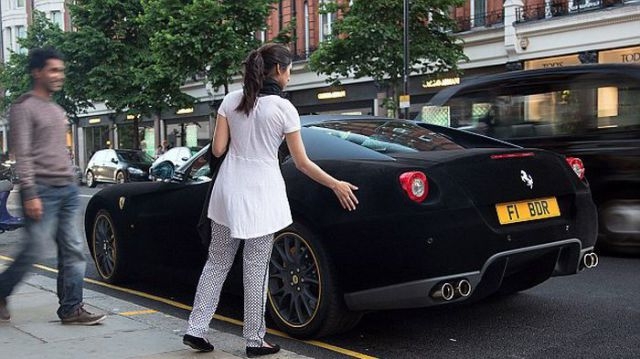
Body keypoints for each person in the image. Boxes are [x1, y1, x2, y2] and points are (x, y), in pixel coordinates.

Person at [182, 43, 359, 356]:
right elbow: (303, 163)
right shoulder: (284, 109)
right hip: (262, 193)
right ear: (278, 70)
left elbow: (219, 150)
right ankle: (254, 339)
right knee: (255, 268)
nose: (290, 76)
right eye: (289, 70)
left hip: (227, 190)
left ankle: (196, 329)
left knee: (217, 262)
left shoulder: (231, 99)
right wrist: (335, 184)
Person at [0, 47, 106, 325]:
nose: (60, 75)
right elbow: (22, 153)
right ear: (37, 72)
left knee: (72, 249)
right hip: (41, 191)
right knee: (34, 249)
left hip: (67, 189)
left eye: (61, 70)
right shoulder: (23, 107)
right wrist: (30, 192)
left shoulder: (57, 109)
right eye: (53, 70)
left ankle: (71, 308)